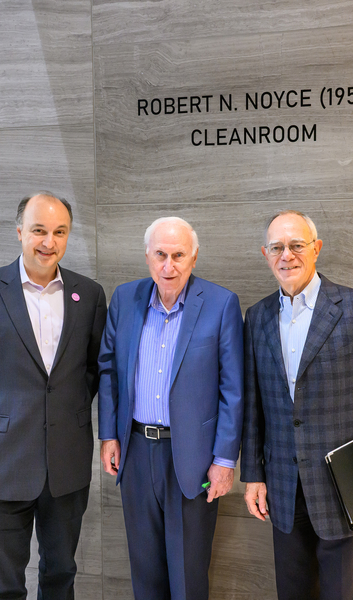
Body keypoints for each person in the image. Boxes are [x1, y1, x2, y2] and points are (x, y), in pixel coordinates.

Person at [0, 192, 107, 600]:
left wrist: (65, 411)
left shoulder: (88, 294)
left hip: (66, 465)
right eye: (39, 230)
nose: (48, 242)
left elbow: (94, 370)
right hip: (0, 464)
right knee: (4, 586)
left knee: (61, 576)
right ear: (20, 232)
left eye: (59, 232)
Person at [241, 210, 353, 600]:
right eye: (277, 247)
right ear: (266, 254)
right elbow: (254, 407)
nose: (287, 255)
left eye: (297, 245)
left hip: (344, 488)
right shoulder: (257, 316)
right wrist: (254, 475)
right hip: (282, 486)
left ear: (316, 249)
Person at [97, 217, 244, 600]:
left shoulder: (220, 303)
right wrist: (109, 434)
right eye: (161, 254)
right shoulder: (125, 298)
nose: (169, 266)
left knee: (188, 576)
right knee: (144, 572)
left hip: (193, 459)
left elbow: (233, 388)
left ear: (193, 257)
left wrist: (225, 460)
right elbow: (109, 370)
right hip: (135, 453)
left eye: (178, 255)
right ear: (147, 256)